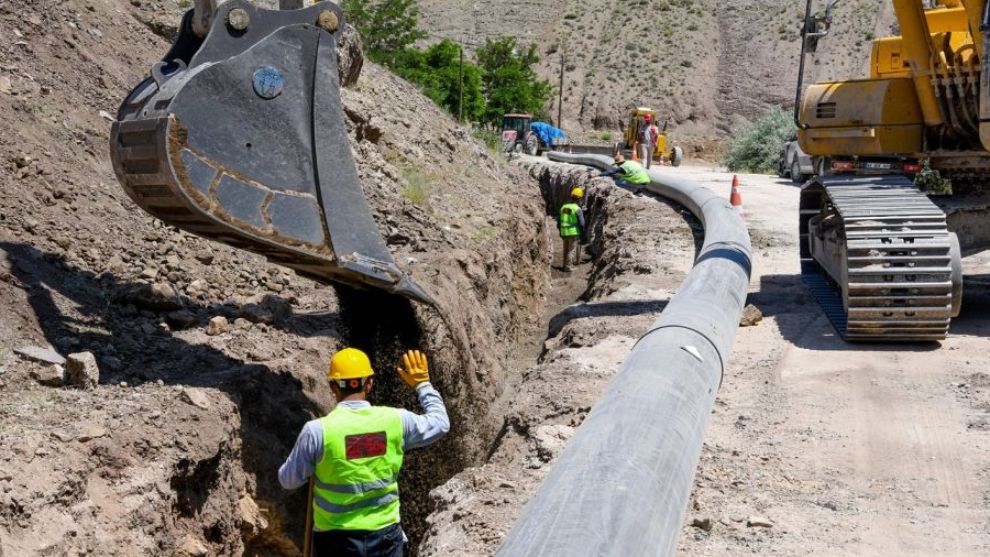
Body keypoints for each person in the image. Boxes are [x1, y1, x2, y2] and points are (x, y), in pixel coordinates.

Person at [279, 348, 449, 557]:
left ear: (333, 386)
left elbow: (288, 481)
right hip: (385, 537)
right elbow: (441, 424)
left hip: (335, 542)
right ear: (369, 383)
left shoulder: (317, 431)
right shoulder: (395, 421)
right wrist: (423, 384)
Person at [558, 187, 586, 272]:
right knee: (571, 250)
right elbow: (582, 223)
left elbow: (559, 221)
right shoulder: (577, 209)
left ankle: (564, 265)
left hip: (564, 231)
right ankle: (568, 267)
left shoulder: (563, 207)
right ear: (580, 199)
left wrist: (560, 230)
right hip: (573, 232)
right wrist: (582, 231)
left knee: (566, 249)